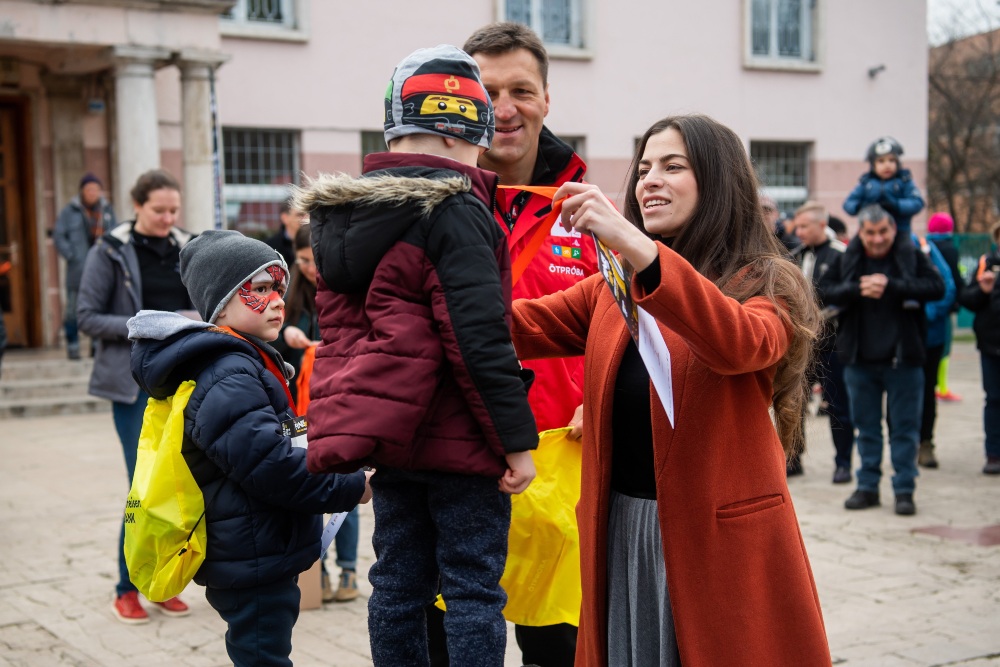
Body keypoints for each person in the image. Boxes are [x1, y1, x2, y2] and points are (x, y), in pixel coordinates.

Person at [512, 114, 830, 666]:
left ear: (718, 180)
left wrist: (639, 249)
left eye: (672, 166)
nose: (649, 180)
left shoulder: (767, 280)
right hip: (622, 532)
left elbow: (737, 343)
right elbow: (515, 327)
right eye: (643, 168)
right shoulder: (612, 287)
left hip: (715, 544)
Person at [298, 45, 538, 667]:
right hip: (462, 441)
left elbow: (349, 336)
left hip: (394, 441)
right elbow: (478, 338)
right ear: (470, 135)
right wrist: (516, 442)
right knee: (472, 589)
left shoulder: (345, 219)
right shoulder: (454, 209)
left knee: (398, 581)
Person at [127, 230, 371, 666]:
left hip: (258, 549)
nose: (278, 299)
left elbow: (269, 440)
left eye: (279, 287)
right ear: (222, 302)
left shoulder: (243, 361)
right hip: (252, 555)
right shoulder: (228, 374)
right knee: (262, 656)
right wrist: (352, 484)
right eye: (260, 289)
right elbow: (270, 465)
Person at [453, 21, 597, 667]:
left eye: (522, 90)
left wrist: (602, 399)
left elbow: (621, 325)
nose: (506, 109)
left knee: (556, 644)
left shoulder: (586, 212)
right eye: (488, 93)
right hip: (452, 452)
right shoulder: (430, 199)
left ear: (546, 98)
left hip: (559, 459)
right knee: (455, 637)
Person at [77, 169, 194, 623]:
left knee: (177, 486)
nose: (167, 218)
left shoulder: (187, 246)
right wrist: (147, 324)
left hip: (181, 381)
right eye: (158, 210)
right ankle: (127, 586)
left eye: (173, 210)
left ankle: (161, 582)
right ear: (137, 206)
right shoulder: (109, 250)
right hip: (131, 387)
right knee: (142, 489)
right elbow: (87, 316)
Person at [819, 204, 945, 516]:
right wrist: (857, 288)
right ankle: (867, 487)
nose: (877, 239)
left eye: (883, 232)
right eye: (870, 233)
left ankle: (904, 490)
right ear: (861, 232)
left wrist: (892, 286)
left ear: (893, 229)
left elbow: (937, 287)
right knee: (867, 428)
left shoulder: (911, 253)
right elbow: (824, 291)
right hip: (860, 360)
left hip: (904, 361)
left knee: (904, 429)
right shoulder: (849, 256)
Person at [277, 224, 363, 604]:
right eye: (302, 261)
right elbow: (276, 340)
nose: (310, 267)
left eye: (313, 259)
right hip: (301, 410)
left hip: (343, 403)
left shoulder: (350, 287)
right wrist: (287, 336)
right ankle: (320, 571)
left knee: (346, 483)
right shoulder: (290, 296)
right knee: (312, 485)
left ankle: (347, 569)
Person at [790, 201, 855, 484]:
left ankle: (843, 463)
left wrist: (817, 308)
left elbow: (850, 294)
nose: (798, 231)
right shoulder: (795, 255)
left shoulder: (843, 253)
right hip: (801, 343)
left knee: (837, 406)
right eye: (797, 226)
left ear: (821, 225)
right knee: (794, 402)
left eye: (804, 226)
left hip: (834, 344)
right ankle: (794, 459)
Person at [53, 172, 117, 360]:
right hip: (77, 269)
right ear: (82, 190)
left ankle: (96, 346)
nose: (93, 193)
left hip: (100, 269)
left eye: (96, 189)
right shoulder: (70, 211)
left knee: (100, 308)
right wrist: (71, 255)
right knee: (72, 310)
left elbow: (115, 233)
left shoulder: (106, 210)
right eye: (89, 189)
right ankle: (73, 346)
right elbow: (58, 236)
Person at [957, 221, 1000, 475]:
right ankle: (993, 453)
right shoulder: (987, 263)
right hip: (991, 345)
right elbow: (967, 299)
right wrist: (983, 291)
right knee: (994, 400)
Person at [915, 233, 956, 469]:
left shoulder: (924, 247)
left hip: (930, 337)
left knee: (927, 392)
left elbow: (947, 287)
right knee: (898, 396)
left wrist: (925, 314)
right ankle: (903, 444)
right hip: (897, 340)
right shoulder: (874, 246)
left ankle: (925, 443)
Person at [843, 136, 925, 235]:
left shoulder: (904, 181)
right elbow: (848, 203)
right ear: (873, 165)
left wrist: (896, 205)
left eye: (891, 160)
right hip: (870, 232)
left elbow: (917, 202)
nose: (887, 165)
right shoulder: (867, 183)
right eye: (881, 161)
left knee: (908, 249)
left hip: (900, 231)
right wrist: (861, 207)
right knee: (852, 249)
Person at [926, 212, 964, 403]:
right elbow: (954, 280)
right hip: (943, 307)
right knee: (944, 349)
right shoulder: (949, 248)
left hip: (927, 306)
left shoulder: (926, 247)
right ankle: (941, 387)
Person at [264, 196, 307, 266]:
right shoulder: (270, 248)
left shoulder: (316, 244)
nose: (306, 219)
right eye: (300, 215)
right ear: (284, 218)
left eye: (308, 214)